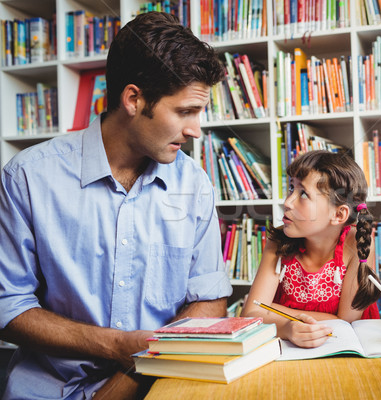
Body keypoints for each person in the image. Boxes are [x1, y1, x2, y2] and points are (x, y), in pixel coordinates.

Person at [0, 12, 232, 400]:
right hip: (45, 390)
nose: (195, 130)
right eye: (184, 111)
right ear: (133, 99)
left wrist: (128, 378)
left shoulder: (194, 182)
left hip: (156, 386)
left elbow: (208, 299)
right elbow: (8, 306)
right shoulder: (27, 177)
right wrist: (114, 345)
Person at [241, 150, 380, 348]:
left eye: (303, 193)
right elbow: (252, 313)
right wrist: (287, 327)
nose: (287, 202)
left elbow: (346, 322)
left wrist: (272, 311)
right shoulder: (278, 241)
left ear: (339, 215)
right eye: (291, 188)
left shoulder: (357, 244)